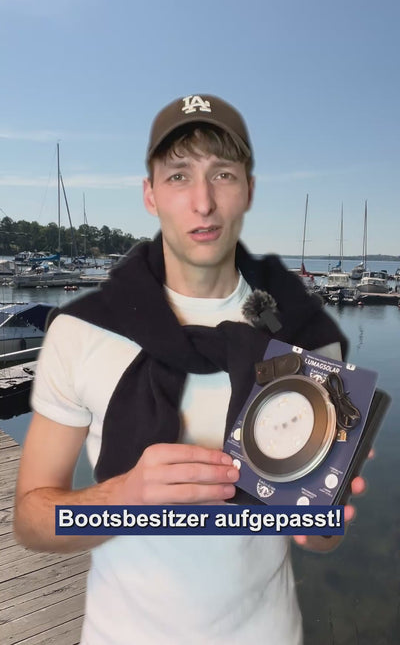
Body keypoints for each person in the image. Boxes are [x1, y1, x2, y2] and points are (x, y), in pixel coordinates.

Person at [14, 93, 363, 645]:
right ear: (150, 194)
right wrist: (123, 498)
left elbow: (321, 534)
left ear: (248, 190)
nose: (203, 202)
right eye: (179, 176)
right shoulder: (81, 331)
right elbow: (32, 521)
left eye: (222, 174)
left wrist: (324, 514)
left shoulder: (305, 337)